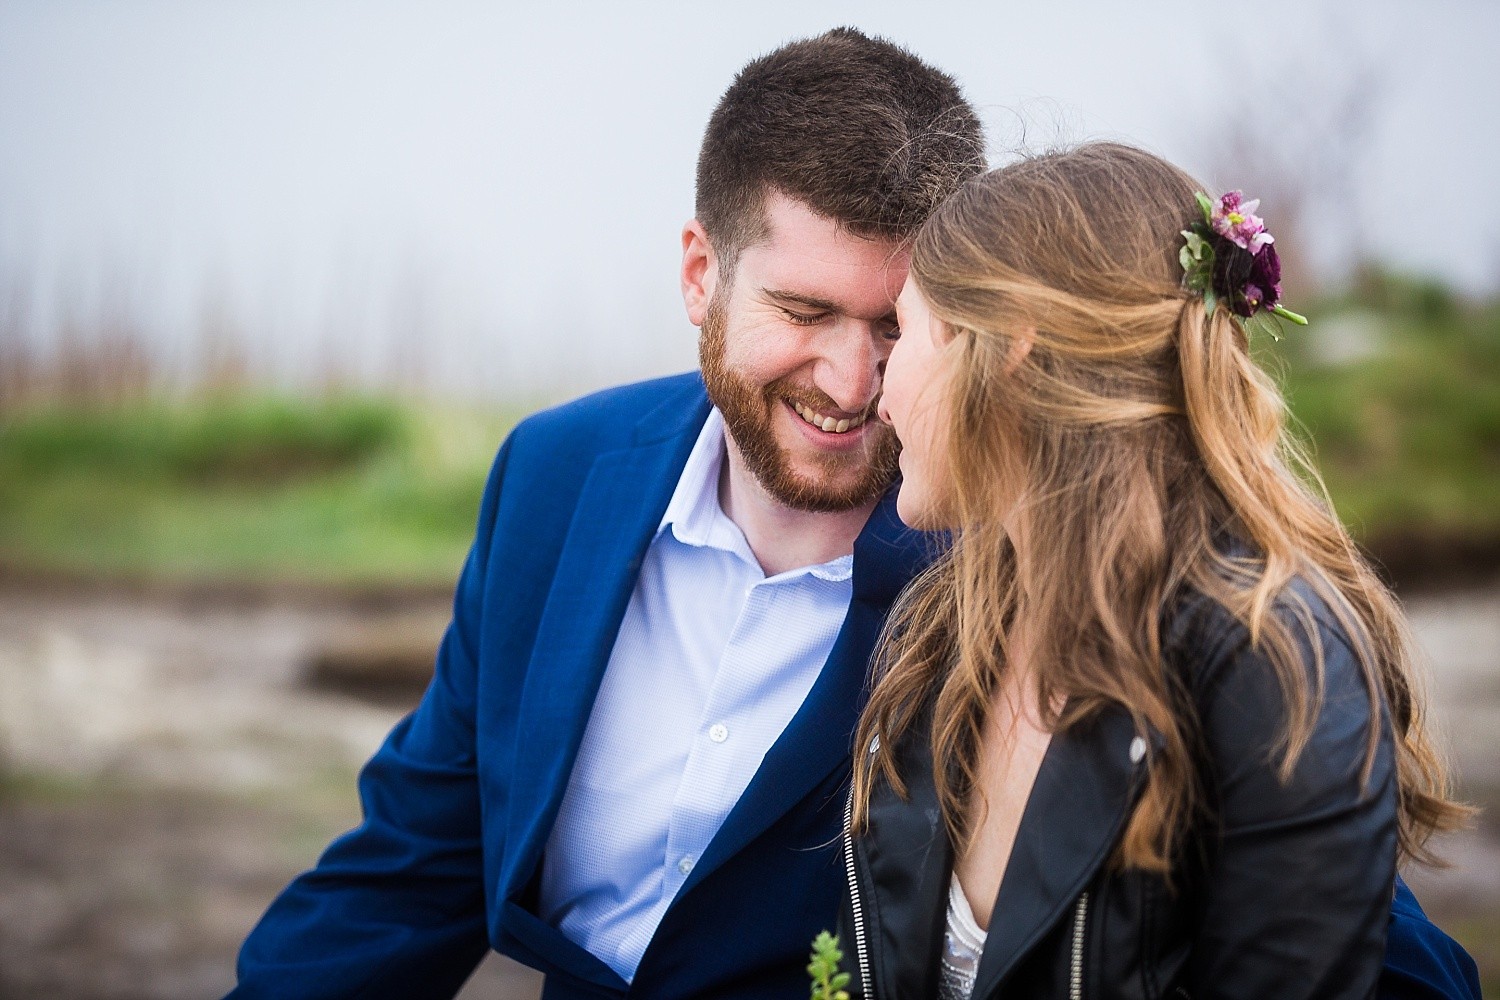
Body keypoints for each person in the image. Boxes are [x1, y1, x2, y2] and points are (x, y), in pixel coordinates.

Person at [228, 28, 987, 1000]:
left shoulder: (995, 550)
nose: (850, 382)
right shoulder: (555, 473)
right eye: (803, 312)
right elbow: (420, 860)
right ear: (698, 275)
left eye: (893, 326)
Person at [843, 143, 1478, 999]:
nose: (875, 389)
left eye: (904, 329)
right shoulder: (942, 635)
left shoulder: (1276, 665)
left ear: (1010, 345)